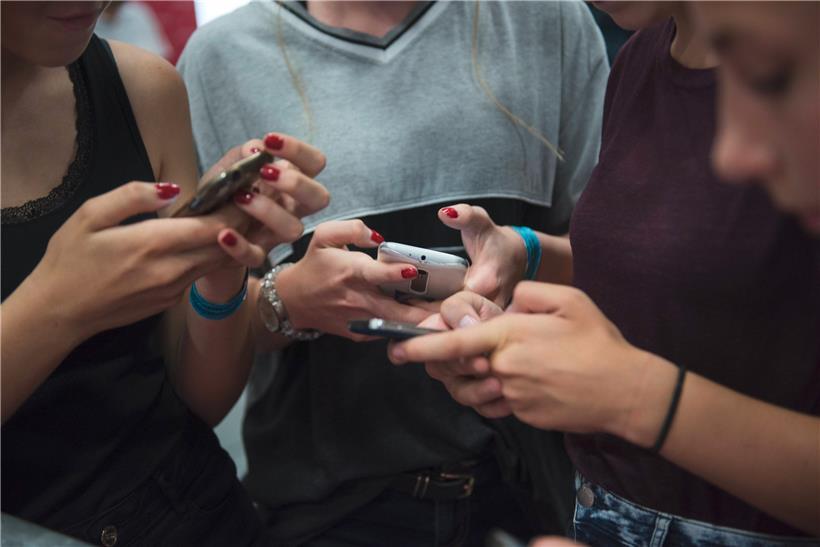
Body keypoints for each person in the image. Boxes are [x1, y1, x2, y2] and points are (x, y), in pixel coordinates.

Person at [178, 1, 608, 544]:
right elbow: (199, 331)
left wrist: (524, 255)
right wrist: (287, 298)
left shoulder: (545, 20)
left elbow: (617, 262)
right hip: (334, 503)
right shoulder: (223, 57)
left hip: (540, 484)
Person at [390, 1, 820, 544]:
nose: (733, 153)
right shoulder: (640, 56)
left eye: (771, 79)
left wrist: (633, 395)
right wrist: (525, 256)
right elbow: (673, 265)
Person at [1, 1, 329, 544]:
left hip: (201, 516)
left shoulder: (142, 89)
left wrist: (218, 267)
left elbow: (197, 397)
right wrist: (55, 307)